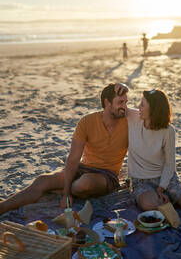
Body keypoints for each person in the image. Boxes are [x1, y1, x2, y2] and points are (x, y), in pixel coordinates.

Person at [0, 83, 129, 215]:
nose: (125, 107)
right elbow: (73, 159)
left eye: (126, 102)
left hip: (106, 176)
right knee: (42, 181)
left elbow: (145, 115)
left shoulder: (129, 121)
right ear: (107, 103)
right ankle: (3, 207)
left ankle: (57, 190)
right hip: (83, 168)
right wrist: (66, 194)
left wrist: (122, 85)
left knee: (83, 184)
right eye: (120, 102)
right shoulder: (87, 122)